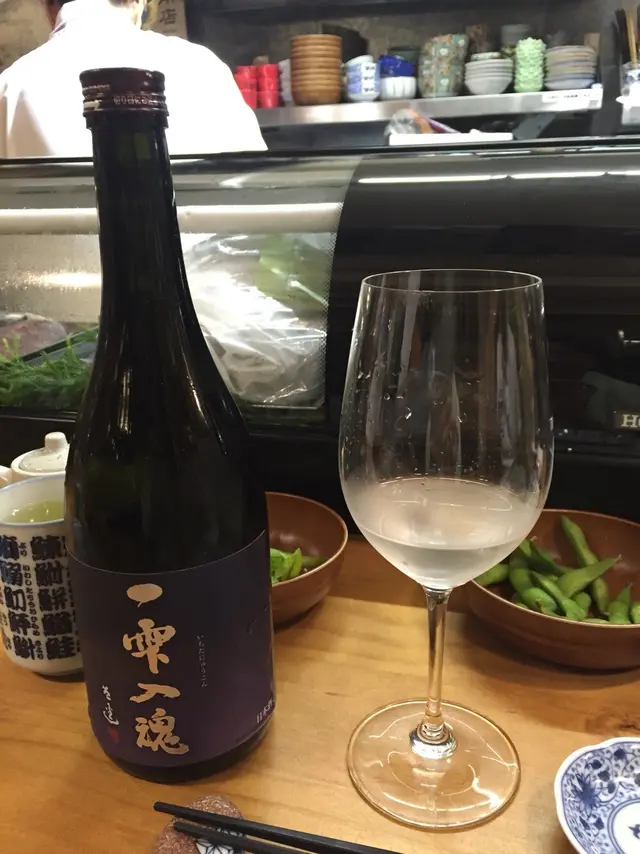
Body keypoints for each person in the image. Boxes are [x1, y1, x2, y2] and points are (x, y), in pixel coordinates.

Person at [0, 0, 266, 157]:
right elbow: (256, 191)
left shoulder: (9, 86)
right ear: (139, 2)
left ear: (48, 8)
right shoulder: (203, 68)